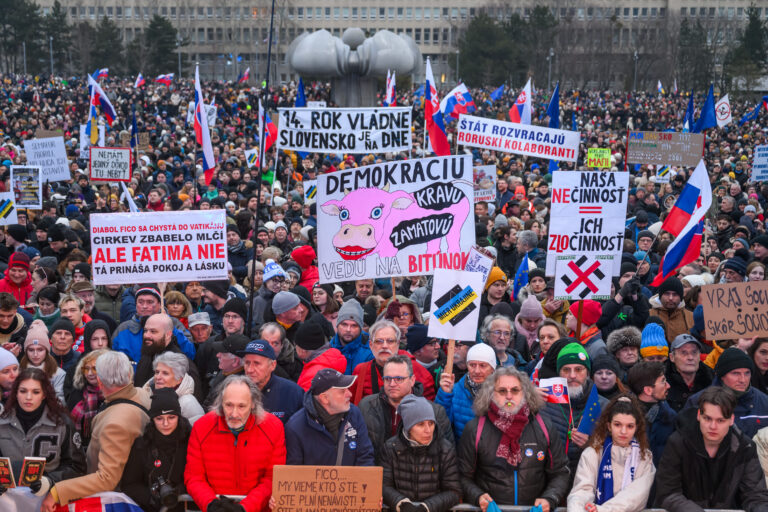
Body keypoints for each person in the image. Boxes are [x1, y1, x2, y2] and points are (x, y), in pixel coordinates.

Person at [41, 350, 151, 510]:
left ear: (99, 381)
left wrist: (58, 491)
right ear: (129, 374)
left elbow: (107, 478)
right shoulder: (142, 394)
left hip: (115, 500)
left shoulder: (115, 424)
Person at [458, 367, 570, 512]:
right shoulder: (475, 428)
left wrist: (550, 498)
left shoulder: (544, 426)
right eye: (502, 391)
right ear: (491, 394)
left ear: (525, 393)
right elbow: (462, 475)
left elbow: (560, 472)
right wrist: (478, 496)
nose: (509, 396)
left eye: (515, 390)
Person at [655, 386, 768, 511]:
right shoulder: (678, 443)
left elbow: (755, 496)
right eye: (707, 418)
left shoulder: (745, 447)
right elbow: (668, 493)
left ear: (731, 420)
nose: (713, 426)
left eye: (720, 420)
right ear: (699, 415)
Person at [184, 375, 286, 512]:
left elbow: (272, 478)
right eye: (229, 405)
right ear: (221, 402)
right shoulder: (202, 427)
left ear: (253, 404)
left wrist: (245, 508)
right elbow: (194, 476)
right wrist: (211, 504)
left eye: (242, 406)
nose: (234, 413)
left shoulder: (273, 427)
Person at [0, 368, 85, 496]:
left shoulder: (62, 423)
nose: (28, 397)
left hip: (49, 498)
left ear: (44, 394)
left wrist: (50, 480)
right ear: (16, 393)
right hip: (8, 500)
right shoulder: (2, 422)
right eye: (23, 391)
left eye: (36, 392)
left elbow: (77, 467)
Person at [567, 395, 656, 512]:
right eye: (617, 425)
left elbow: (635, 496)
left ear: (636, 428)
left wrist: (602, 510)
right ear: (609, 426)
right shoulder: (593, 452)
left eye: (630, 426)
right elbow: (581, 491)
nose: (623, 431)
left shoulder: (644, 456)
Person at [359, 355, 452, 463]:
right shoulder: (366, 406)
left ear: (412, 380)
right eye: (388, 379)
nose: (392, 384)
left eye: (399, 379)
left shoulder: (435, 412)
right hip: (378, 473)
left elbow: (447, 456)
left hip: (418, 475)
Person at [381, 394, 462, 512]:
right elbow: (384, 486)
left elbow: (454, 491)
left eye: (431, 423)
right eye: (420, 424)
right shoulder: (391, 448)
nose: (428, 430)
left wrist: (426, 507)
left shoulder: (445, 449)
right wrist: (401, 503)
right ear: (408, 427)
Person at [539, 343, 609, 477]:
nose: (572, 375)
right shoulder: (543, 403)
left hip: (587, 481)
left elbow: (614, 450)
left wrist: (590, 444)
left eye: (578, 369)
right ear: (558, 373)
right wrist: (529, 397)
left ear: (587, 373)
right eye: (566, 369)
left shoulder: (604, 406)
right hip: (549, 480)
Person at [285, 368, 375, 466]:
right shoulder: (296, 427)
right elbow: (294, 473)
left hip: (352, 481)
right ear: (324, 398)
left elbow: (365, 457)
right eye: (342, 391)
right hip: (313, 481)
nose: (350, 394)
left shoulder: (354, 413)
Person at [121, 388, 191, 512]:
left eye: (171, 417)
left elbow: (201, 477)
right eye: (159, 418)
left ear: (179, 417)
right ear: (152, 419)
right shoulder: (142, 445)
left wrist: (180, 490)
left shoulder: (190, 441)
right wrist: (151, 497)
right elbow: (129, 484)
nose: (166, 424)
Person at [682, 347, 768, 438]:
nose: (743, 380)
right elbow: (685, 439)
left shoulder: (764, 402)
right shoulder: (697, 401)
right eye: (736, 373)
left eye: (747, 373)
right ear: (722, 376)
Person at [350, 320, 436, 404]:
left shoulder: (416, 370)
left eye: (390, 341)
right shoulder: (361, 370)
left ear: (398, 344)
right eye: (379, 341)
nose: (384, 346)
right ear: (371, 345)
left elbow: (429, 409)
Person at [112, 285, 195, 363]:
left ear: (160, 304)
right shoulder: (123, 329)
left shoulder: (174, 324)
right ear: (136, 305)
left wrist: (170, 328)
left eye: (150, 302)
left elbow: (190, 353)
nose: (144, 306)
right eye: (140, 302)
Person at [436, 343, 497, 441]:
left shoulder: (503, 391)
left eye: (483, 365)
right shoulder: (455, 390)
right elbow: (441, 424)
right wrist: (444, 394)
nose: (477, 371)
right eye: (472, 365)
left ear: (492, 368)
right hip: (463, 451)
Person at [239, 339, 304, 425]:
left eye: (257, 363)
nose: (250, 369)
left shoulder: (293, 393)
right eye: (247, 363)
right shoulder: (234, 390)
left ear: (272, 365)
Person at [626, 360, 676, 465]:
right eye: (663, 381)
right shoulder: (622, 416)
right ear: (648, 390)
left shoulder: (670, 417)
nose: (668, 386)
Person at [142, 352, 204, 425]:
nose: (158, 377)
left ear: (179, 379)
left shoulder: (188, 403)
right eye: (157, 372)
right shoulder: (146, 393)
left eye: (165, 373)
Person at [66, 349, 107, 449]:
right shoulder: (77, 392)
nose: (89, 373)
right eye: (86, 369)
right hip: (78, 448)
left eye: (94, 369)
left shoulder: (111, 395)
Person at [665, 333, 714, 411]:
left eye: (694, 352)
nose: (690, 357)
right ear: (672, 357)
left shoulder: (712, 379)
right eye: (684, 353)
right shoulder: (662, 382)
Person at [20, 322, 66, 402]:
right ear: (26, 351)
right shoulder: (17, 371)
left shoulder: (58, 373)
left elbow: (61, 401)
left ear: (47, 351)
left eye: (40, 350)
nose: (35, 354)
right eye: (31, 350)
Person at [329, 300, 372, 374]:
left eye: (354, 325)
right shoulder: (328, 349)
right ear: (337, 325)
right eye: (344, 324)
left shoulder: (370, 352)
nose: (348, 330)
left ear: (360, 328)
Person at [650, 277, 694, 343]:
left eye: (675, 294)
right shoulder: (649, 314)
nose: (670, 298)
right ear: (660, 296)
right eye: (667, 294)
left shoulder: (691, 316)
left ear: (681, 297)